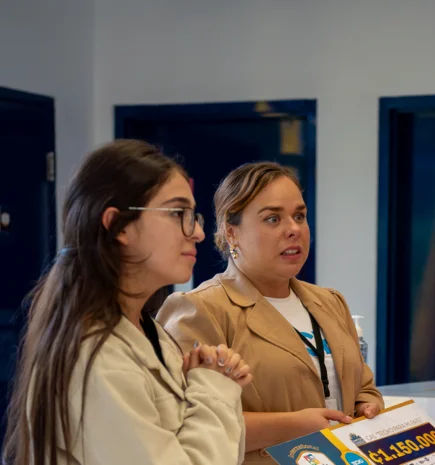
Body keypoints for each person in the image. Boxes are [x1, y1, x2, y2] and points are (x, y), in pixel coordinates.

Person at [2, 140, 252, 465]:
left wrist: (207, 379)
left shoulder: (147, 330)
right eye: (178, 213)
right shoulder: (99, 359)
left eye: (194, 216)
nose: (198, 234)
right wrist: (213, 387)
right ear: (118, 225)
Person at [156, 161, 384, 464]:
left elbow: (363, 387)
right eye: (273, 219)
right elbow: (179, 423)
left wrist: (368, 404)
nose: (293, 230)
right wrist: (294, 426)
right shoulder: (199, 309)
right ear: (231, 231)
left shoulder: (329, 302)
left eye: (299, 216)